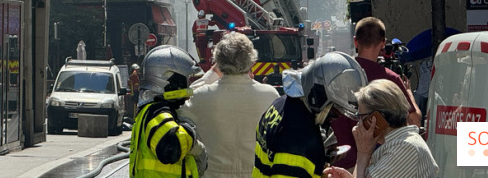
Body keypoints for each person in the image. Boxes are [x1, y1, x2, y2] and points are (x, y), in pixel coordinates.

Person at [253, 51, 367, 178]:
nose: (336, 118)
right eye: (335, 111)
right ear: (319, 97)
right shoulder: (300, 137)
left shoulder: (280, 104)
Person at [180, 32, 279, 178]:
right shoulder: (271, 96)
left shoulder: (201, 96)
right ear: (252, 62)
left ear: (218, 62)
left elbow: (183, 101)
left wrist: (211, 74)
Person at [331, 18, 421, 170]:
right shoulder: (390, 79)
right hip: (375, 165)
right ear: (383, 43)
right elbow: (415, 121)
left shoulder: (336, 75)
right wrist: (408, 93)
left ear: (355, 41)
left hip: (338, 164)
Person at [130, 46, 207, 178]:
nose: (188, 89)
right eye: (185, 81)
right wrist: (190, 132)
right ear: (168, 80)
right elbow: (170, 148)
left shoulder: (151, 110)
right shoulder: (157, 112)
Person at [346, 79, 438, 178]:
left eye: (361, 116)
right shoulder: (396, 144)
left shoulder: (405, 147)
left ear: (377, 118)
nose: (358, 124)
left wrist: (363, 154)